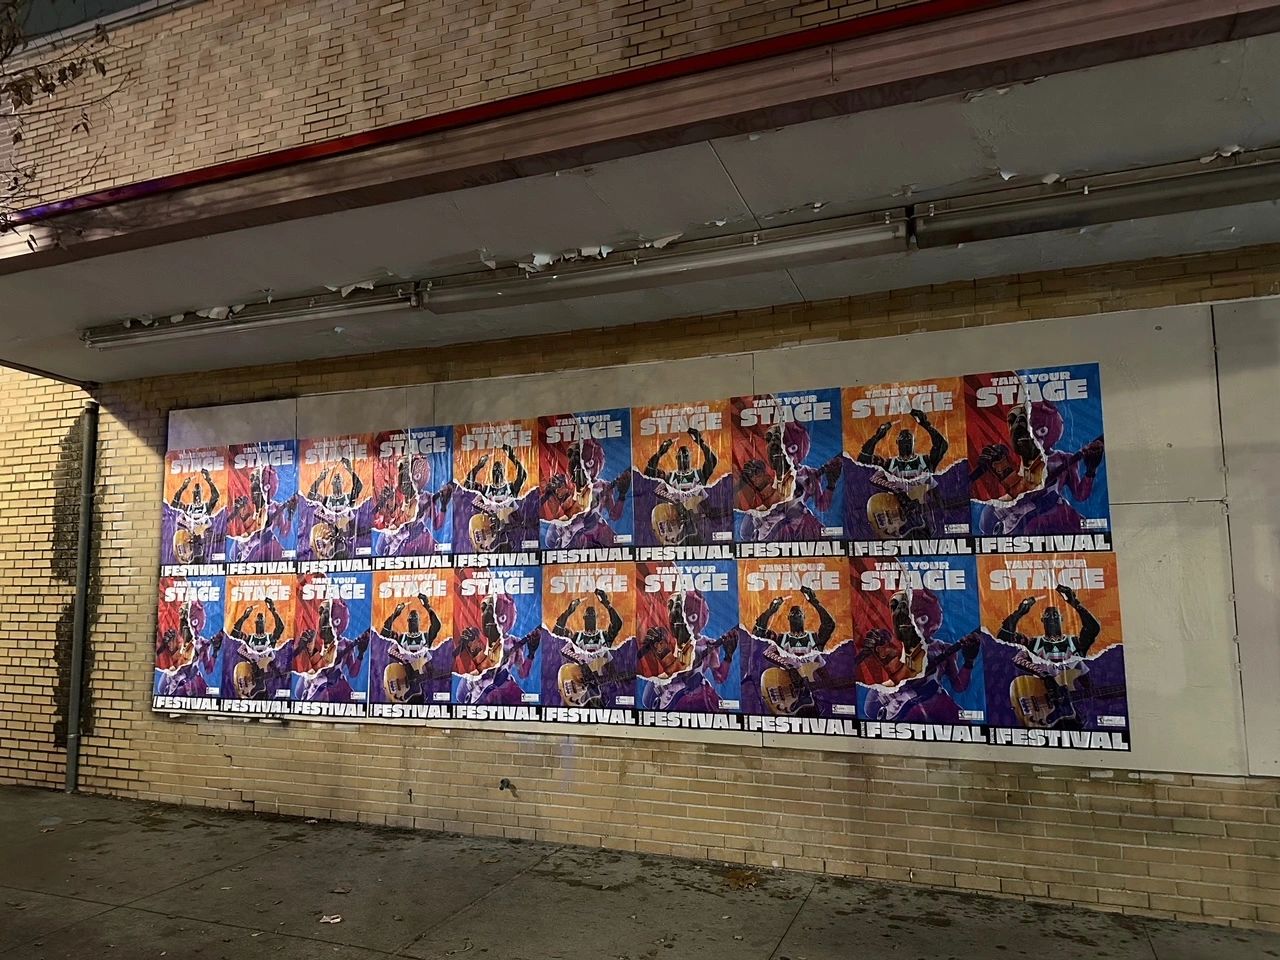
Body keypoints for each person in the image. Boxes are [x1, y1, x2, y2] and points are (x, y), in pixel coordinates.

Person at [977, 401, 1105, 536]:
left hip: (1055, 512)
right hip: (1023, 518)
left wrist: (1091, 470)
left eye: (1037, 430)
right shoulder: (1014, 461)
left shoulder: (1064, 459)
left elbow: (1080, 495)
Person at [859, 588, 981, 723]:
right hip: (904, 714)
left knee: (964, 723)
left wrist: (969, 661)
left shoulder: (942, 648)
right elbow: (872, 702)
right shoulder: (893, 649)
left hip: (937, 704)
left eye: (919, 619)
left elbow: (959, 686)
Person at [737, 424, 840, 542]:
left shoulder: (809, 473)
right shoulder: (767, 473)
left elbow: (822, 506)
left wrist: (831, 485)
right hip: (769, 525)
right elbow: (746, 529)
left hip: (797, 523)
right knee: (746, 533)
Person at [639, 591, 737, 712]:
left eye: (690, 617)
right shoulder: (667, 641)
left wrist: (728, 656)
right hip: (670, 698)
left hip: (698, 695)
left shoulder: (708, 644)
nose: (683, 623)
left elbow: (719, 678)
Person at [858, 410, 949, 539]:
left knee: (927, 531)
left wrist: (926, 424)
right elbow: (864, 460)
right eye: (902, 440)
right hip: (896, 508)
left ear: (914, 442)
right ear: (897, 443)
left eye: (908, 439)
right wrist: (877, 437)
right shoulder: (890, 463)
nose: (905, 441)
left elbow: (941, 446)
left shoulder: (924, 461)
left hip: (919, 511)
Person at [541, 438, 630, 549]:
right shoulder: (567, 485)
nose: (582, 470)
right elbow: (551, 536)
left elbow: (614, 516)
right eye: (577, 464)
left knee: (618, 547)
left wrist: (622, 495)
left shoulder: (604, 487)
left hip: (593, 532)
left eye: (588, 463)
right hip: (569, 535)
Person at [643, 428, 722, 547]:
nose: (683, 459)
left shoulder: (698, 475)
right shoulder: (670, 476)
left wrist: (700, 441)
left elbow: (712, 461)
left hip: (692, 523)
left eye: (686, 456)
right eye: (680, 456)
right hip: (672, 517)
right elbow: (649, 472)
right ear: (677, 459)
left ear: (690, 457)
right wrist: (660, 452)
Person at [455, 595, 540, 705]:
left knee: (522, 703)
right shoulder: (477, 639)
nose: (494, 624)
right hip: (479, 689)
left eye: (499, 618)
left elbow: (523, 673)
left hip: (504, 685)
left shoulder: (514, 643)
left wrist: (531, 653)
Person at [998, 584, 1099, 665]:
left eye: (1055, 615)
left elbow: (1093, 628)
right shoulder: (1033, 643)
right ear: (1042, 620)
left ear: (1061, 619)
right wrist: (1019, 613)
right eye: (1047, 615)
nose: (1052, 618)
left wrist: (1075, 603)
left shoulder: (1075, 643)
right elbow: (1004, 636)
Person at [294, 598, 368, 702]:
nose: (329, 627)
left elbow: (353, 673)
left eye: (334, 622)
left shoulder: (346, 644)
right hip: (316, 686)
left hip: (337, 687)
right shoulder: (315, 641)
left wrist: (361, 654)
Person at [380, 594, 447, 704]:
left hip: (419, 685)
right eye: (411, 619)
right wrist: (395, 615)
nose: (413, 621)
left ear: (419, 621)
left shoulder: (425, 637)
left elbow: (436, 626)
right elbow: (384, 634)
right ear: (407, 621)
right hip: (402, 677)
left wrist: (427, 605)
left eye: (415, 619)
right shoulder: (401, 637)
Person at [155, 600, 221, 697]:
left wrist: (215, 651)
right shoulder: (176, 639)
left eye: (192, 622)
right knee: (161, 690)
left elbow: (208, 669)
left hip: (191, 681)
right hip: (174, 677)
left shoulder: (202, 644)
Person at [304, 456, 363, 559]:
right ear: (331, 484)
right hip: (327, 537)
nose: (337, 481)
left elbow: (359, 486)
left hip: (343, 538)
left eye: (339, 480)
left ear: (343, 482)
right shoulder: (327, 499)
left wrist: (349, 469)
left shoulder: (348, 498)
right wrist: (320, 478)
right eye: (335, 480)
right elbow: (311, 496)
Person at [228, 598, 288, 699]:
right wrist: (244, 617)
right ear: (255, 623)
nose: (259, 622)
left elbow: (280, 628)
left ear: (264, 622)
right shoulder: (250, 638)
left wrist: (273, 610)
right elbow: (235, 635)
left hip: (261, 679)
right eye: (258, 621)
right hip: (249, 671)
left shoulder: (269, 638)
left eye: (261, 621)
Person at [169, 468, 220, 563]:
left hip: (196, 532)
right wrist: (183, 487)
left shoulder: (204, 508)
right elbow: (174, 505)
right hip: (194, 533)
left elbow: (215, 496)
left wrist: (208, 480)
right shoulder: (188, 509)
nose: (197, 497)